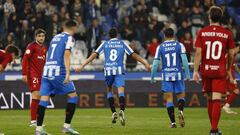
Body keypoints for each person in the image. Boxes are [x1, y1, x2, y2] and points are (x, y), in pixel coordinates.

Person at [76, 28, 151, 126]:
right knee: (121, 91)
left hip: (108, 71)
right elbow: (134, 55)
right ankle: (122, 110)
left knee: (109, 90)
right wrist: (145, 62)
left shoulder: (105, 44)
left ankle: (113, 112)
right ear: (117, 35)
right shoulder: (122, 43)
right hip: (119, 70)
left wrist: (82, 65)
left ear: (109, 36)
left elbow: (94, 55)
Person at [193, 6, 235, 135]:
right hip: (219, 70)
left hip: (206, 70)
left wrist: (195, 71)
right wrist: (228, 69)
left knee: (210, 99)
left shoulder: (202, 32)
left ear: (209, 17)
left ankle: (214, 129)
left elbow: (198, 53)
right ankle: (213, 130)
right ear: (221, 17)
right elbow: (232, 54)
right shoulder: (227, 33)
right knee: (217, 99)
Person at [36, 20, 79, 135]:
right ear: (73, 28)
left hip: (47, 71)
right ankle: (66, 127)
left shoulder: (55, 38)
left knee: (44, 99)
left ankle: (39, 130)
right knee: (73, 96)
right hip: (58, 72)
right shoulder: (69, 38)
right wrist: (68, 73)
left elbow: (48, 54)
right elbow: (66, 54)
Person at [151, 28, 190, 128]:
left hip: (166, 75)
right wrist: (188, 74)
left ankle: (173, 123)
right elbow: (184, 61)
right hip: (178, 74)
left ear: (164, 36)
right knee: (181, 96)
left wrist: (152, 76)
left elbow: (155, 63)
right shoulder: (180, 45)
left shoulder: (160, 47)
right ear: (174, 35)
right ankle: (180, 111)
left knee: (169, 99)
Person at [22, 29, 47, 127]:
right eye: (39, 36)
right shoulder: (31, 46)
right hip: (32, 74)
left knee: (39, 97)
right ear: (36, 37)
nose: (41, 38)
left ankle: (36, 120)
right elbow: (25, 59)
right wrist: (24, 73)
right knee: (36, 95)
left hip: (41, 75)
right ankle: (33, 121)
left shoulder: (44, 48)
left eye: (43, 36)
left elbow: (44, 62)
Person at [222, 45, 240, 114]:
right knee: (236, 91)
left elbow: (233, 66)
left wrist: (238, 71)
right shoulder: (229, 56)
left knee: (229, 92)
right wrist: (231, 77)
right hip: (229, 76)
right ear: (235, 48)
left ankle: (226, 107)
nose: (238, 51)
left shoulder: (232, 56)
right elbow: (228, 68)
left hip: (229, 76)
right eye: (238, 49)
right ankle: (226, 106)